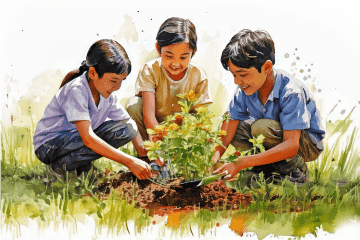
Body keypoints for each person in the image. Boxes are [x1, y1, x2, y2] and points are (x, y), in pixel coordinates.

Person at [212, 29, 325, 185]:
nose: (237, 81)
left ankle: (294, 171)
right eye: (234, 75)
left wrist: (241, 162)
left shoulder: (291, 91)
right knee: (234, 125)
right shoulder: (245, 89)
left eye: (242, 74)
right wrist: (215, 157)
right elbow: (231, 121)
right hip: (275, 135)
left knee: (261, 128)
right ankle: (266, 168)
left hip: (305, 144)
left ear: (266, 67)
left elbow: (291, 145)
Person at [33, 39, 151, 181]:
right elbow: (88, 138)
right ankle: (61, 167)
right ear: (93, 73)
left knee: (128, 128)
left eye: (121, 81)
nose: (117, 87)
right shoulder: (77, 90)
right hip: (48, 146)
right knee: (97, 137)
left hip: (72, 142)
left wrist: (144, 158)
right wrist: (130, 162)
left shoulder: (106, 95)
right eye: (114, 80)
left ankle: (77, 166)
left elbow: (128, 123)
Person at [126, 17, 212, 145]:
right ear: (158, 48)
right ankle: (147, 155)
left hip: (183, 129)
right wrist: (158, 137)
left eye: (183, 57)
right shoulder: (150, 69)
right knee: (133, 104)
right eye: (169, 56)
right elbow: (148, 116)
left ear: (193, 52)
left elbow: (200, 116)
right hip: (155, 124)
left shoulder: (198, 76)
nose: (175, 63)